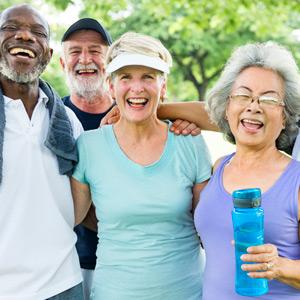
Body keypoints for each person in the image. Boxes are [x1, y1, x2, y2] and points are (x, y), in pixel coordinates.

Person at [71, 31, 212, 299]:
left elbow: (209, 227)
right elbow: (68, 218)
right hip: (113, 292)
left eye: (148, 77)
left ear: (163, 86)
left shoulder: (189, 142)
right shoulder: (89, 147)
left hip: (188, 292)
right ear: (111, 86)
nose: (137, 88)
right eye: (126, 77)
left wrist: (161, 110)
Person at [194, 42, 300, 299]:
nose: (254, 106)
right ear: (227, 106)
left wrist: (281, 267)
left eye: (269, 98)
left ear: (285, 116)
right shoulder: (219, 166)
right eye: (243, 95)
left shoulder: (296, 181)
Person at [0, 4, 84, 300]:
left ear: (48, 55)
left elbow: (80, 199)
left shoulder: (68, 122)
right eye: (10, 28)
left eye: (38, 33)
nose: (24, 35)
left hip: (64, 282)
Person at [60, 18, 114, 300]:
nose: (85, 59)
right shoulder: (51, 117)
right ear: (61, 64)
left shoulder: (134, 113)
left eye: (95, 50)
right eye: (74, 52)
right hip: (67, 269)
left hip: (125, 264)